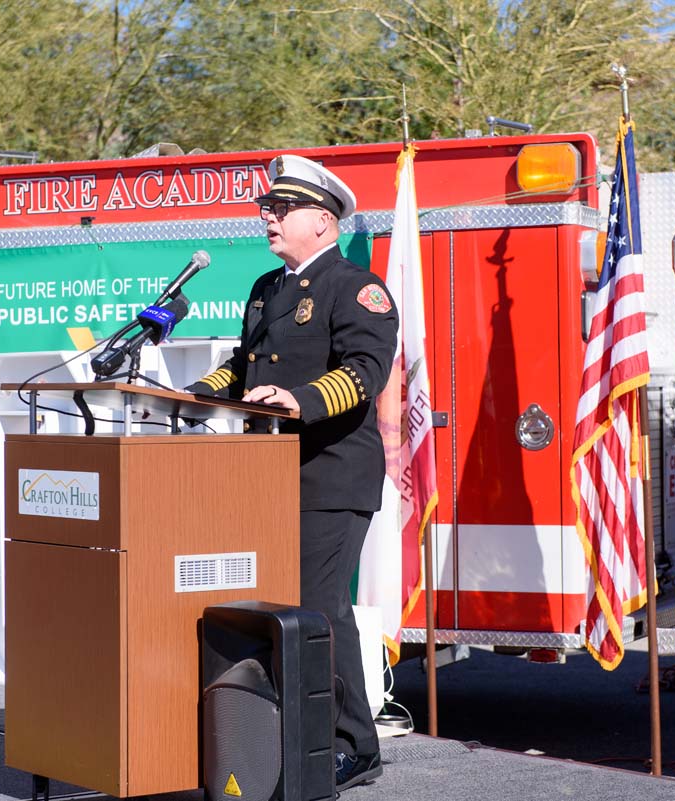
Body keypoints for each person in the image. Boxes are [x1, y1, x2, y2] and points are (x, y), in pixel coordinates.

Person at [187, 154, 397, 792]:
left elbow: (366, 371)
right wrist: (195, 395)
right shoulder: (265, 289)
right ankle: (297, 735)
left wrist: (300, 401)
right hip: (270, 477)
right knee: (283, 610)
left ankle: (352, 745)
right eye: (267, 208)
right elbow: (244, 367)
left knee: (319, 609)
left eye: (282, 209)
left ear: (326, 224)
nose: (268, 217)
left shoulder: (356, 287)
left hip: (332, 478)